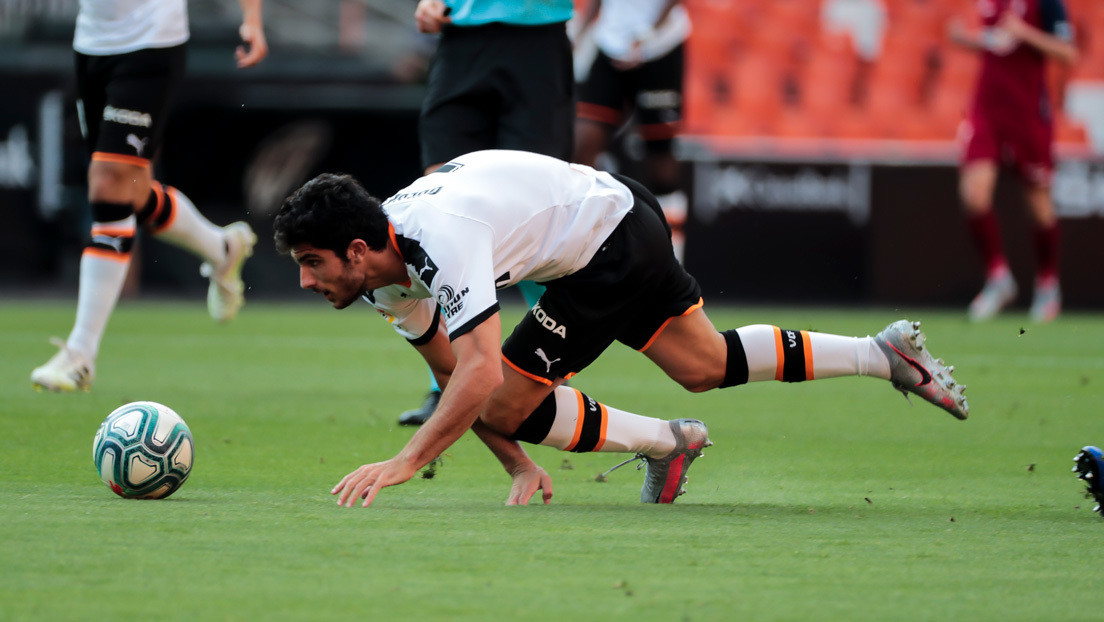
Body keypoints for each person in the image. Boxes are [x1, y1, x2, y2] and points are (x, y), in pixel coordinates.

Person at [272, 149, 969, 508]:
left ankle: (668, 444)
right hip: (611, 211)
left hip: (605, 243)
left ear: (357, 251)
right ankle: (883, 356)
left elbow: (482, 377)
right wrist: (518, 462)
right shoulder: (385, 273)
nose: (307, 282)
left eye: (312, 263)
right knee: (704, 364)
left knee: (506, 391)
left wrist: (406, 462)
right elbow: (454, 375)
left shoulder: (439, 239)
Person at [30, 0, 268, 392]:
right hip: (91, 43)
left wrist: (252, 21)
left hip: (151, 42)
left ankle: (80, 354)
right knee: (132, 192)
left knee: (108, 184)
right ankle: (223, 248)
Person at [397, 0, 576, 425]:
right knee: (436, 212)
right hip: (460, 40)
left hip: (537, 39)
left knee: (534, 215)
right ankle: (444, 387)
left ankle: (551, 371)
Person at [948, 0, 1078, 323]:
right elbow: (997, 44)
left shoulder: (1048, 4)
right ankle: (998, 278)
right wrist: (968, 39)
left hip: (1028, 111)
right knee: (973, 195)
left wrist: (1025, 33)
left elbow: (1068, 54)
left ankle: (1048, 284)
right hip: (987, 108)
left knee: (1038, 203)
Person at [572, 0, 691, 260]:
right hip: (609, 42)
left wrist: (646, 34)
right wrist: (579, 31)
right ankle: (583, 254)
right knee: (582, 145)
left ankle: (672, 260)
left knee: (661, 160)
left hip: (659, 47)